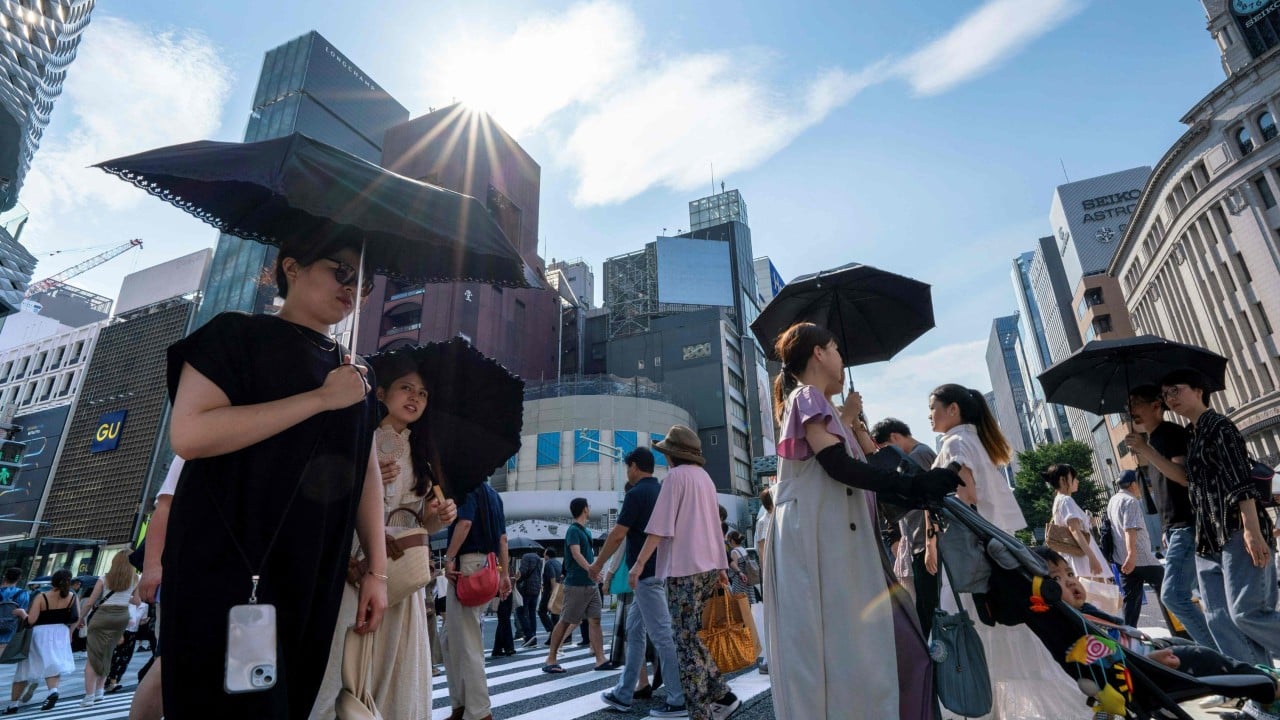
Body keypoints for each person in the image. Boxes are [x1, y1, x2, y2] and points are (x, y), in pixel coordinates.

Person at [162, 237, 388, 718]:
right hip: (226, 555)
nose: (355, 289)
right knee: (223, 703)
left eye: (364, 282)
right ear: (293, 266)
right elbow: (189, 433)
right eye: (342, 272)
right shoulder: (234, 336)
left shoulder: (358, 374)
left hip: (314, 565)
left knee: (291, 699)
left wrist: (378, 570)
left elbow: (366, 472)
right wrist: (320, 400)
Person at [764, 324, 957, 720]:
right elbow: (838, 467)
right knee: (850, 650)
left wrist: (851, 422)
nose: (841, 358)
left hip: (836, 542)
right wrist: (915, 483)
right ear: (818, 353)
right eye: (835, 348)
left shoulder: (818, 405)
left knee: (860, 649)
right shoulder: (807, 397)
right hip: (825, 544)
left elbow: (858, 468)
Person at [310, 355, 458, 720]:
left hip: (401, 575)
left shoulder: (424, 454)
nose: (415, 398)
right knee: (346, 652)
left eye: (422, 393)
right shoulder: (359, 438)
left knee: (396, 658)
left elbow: (418, 523)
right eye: (406, 388)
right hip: (357, 565)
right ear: (380, 393)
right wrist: (367, 473)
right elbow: (329, 499)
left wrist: (438, 518)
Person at [930, 382, 1084, 719]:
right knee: (1006, 641)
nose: (930, 415)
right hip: (994, 557)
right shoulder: (974, 441)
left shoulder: (956, 442)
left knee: (972, 639)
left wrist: (934, 537)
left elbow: (964, 496)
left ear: (953, 409)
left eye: (934, 407)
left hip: (971, 560)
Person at [1035, 546, 1280, 720]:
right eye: (1056, 578)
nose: (1069, 582)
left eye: (1069, 573)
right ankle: (1269, 688)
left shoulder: (1081, 612)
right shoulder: (1067, 628)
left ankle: (1258, 680)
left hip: (1146, 652)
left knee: (1201, 652)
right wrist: (1148, 661)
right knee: (1205, 658)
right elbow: (1102, 666)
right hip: (1145, 669)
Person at [1160, 368, 1280, 666]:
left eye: (1176, 390)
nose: (1170, 398)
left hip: (1236, 531)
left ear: (1198, 390)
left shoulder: (1219, 426)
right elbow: (1187, 480)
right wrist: (1148, 451)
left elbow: (1241, 480)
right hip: (1206, 537)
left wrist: (1252, 529)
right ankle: (1263, 691)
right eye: (1165, 395)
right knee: (1219, 620)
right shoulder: (1193, 434)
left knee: (1246, 613)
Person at [629, 425, 740, 720]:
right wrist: (722, 566)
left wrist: (639, 564)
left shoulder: (674, 478)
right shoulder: (704, 478)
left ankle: (700, 713)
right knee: (692, 637)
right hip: (706, 567)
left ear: (671, 455)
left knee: (685, 643)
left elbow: (659, 528)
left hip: (683, 569)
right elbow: (715, 526)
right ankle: (721, 694)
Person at [591, 447, 687, 717]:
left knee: (662, 635)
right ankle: (623, 693)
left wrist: (598, 565)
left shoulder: (636, 494)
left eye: (627, 467)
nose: (627, 472)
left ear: (633, 466)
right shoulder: (660, 492)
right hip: (661, 570)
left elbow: (619, 534)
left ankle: (678, 698)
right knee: (635, 631)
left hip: (646, 575)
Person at [1124, 384, 1216, 649]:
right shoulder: (1152, 441)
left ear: (1156, 405)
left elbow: (1185, 478)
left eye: (1136, 403)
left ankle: (1218, 655)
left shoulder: (1170, 434)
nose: (1132, 412)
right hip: (1177, 528)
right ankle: (1229, 655)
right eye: (1128, 408)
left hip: (1188, 526)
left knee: (1174, 596)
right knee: (1207, 599)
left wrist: (1147, 451)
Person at [442, 480, 509, 720]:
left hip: (466, 566)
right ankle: (461, 704)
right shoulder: (494, 495)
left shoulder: (466, 487)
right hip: (486, 566)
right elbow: (503, 539)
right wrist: (505, 574)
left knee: (467, 641)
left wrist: (448, 558)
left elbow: (466, 522)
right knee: (450, 638)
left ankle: (479, 712)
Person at [871, 417, 941, 637]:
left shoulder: (918, 456)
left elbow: (932, 501)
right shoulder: (920, 454)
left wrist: (931, 544)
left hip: (926, 543)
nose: (887, 456)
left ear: (894, 437)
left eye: (885, 449)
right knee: (924, 606)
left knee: (928, 609)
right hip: (920, 543)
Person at [130, 456, 182, 720]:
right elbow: (164, 506)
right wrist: (152, 566)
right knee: (170, 660)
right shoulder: (196, 439)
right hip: (187, 574)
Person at [543, 498, 609, 673]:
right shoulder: (573, 530)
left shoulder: (585, 530)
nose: (590, 508)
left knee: (595, 619)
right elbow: (575, 553)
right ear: (585, 509)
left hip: (590, 583)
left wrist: (593, 573)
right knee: (565, 620)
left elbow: (585, 555)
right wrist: (591, 569)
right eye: (589, 506)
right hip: (576, 583)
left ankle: (600, 659)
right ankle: (551, 659)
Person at [1106, 470, 1170, 630]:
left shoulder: (1113, 500)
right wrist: (1132, 555)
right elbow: (1130, 529)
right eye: (1140, 485)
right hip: (1139, 557)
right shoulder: (1130, 501)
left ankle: (1128, 634)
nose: (1142, 489)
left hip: (1122, 560)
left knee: (1131, 601)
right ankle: (1179, 628)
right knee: (1168, 591)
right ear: (1133, 485)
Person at [8, 569, 77, 713]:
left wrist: (21, 613)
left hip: (40, 633)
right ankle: (53, 691)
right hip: (61, 632)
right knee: (53, 665)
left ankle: (13, 705)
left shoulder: (42, 596)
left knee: (25, 668)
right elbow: (75, 617)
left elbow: (31, 620)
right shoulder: (72, 596)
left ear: (53, 581)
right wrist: (70, 633)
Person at [79, 551, 140, 707]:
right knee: (108, 652)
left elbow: (89, 602)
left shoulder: (104, 578)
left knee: (93, 655)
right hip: (121, 617)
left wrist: (79, 620)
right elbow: (137, 601)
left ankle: (89, 696)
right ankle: (100, 692)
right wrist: (125, 596)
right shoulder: (135, 579)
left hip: (103, 616)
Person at [1044, 463, 1108, 581]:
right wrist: (1092, 558)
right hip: (1082, 559)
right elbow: (1074, 530)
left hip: (1074, 556)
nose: (1077, 481)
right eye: (1073, 477)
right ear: (1063, 480)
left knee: (1094, 595)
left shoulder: (1058, 501)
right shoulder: (1066, 500)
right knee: (1099, 595)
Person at [105, 592, 148, 694]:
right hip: (121, 631)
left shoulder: (145, 606)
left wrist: (145, 621)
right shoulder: (128, 600)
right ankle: (112, 682)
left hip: (133, 633)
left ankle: (113, 681)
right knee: (116, 657)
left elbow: (141, 621)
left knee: (126, 658)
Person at [753, 488, 773, 675]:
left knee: (771, 618)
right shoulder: (781, 517)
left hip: (770, 574)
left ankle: (769, 659)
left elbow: (761, 550)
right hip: (785, 572)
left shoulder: (762, 522)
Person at [516, 550, 543, 648]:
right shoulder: (539, 559)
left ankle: (529, 635)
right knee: (532, 613)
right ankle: (533, 637)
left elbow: (523, 572)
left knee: (520, 612)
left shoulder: (526, 557)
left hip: (526, 588)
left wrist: (517, 577)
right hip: (536, 588)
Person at [538, 547, 562, 643]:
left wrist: (553, 591)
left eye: (544, 554)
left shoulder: (548, 563)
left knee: (541, 611)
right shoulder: (558, 563)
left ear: (547, 555)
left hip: (549, 591)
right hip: (560, 589)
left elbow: (552, 577)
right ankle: (553, 638)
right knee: (555, 614)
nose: (543, 556)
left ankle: (552, 630)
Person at [725, 531, 754, 603]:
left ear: (732, 541)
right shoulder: (743, 549)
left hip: (739, 581)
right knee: (747, 603)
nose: (728, 543)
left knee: (738, 602)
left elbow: (734, 567)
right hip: (747, 580)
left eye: (728, 540)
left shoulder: (734, 552)